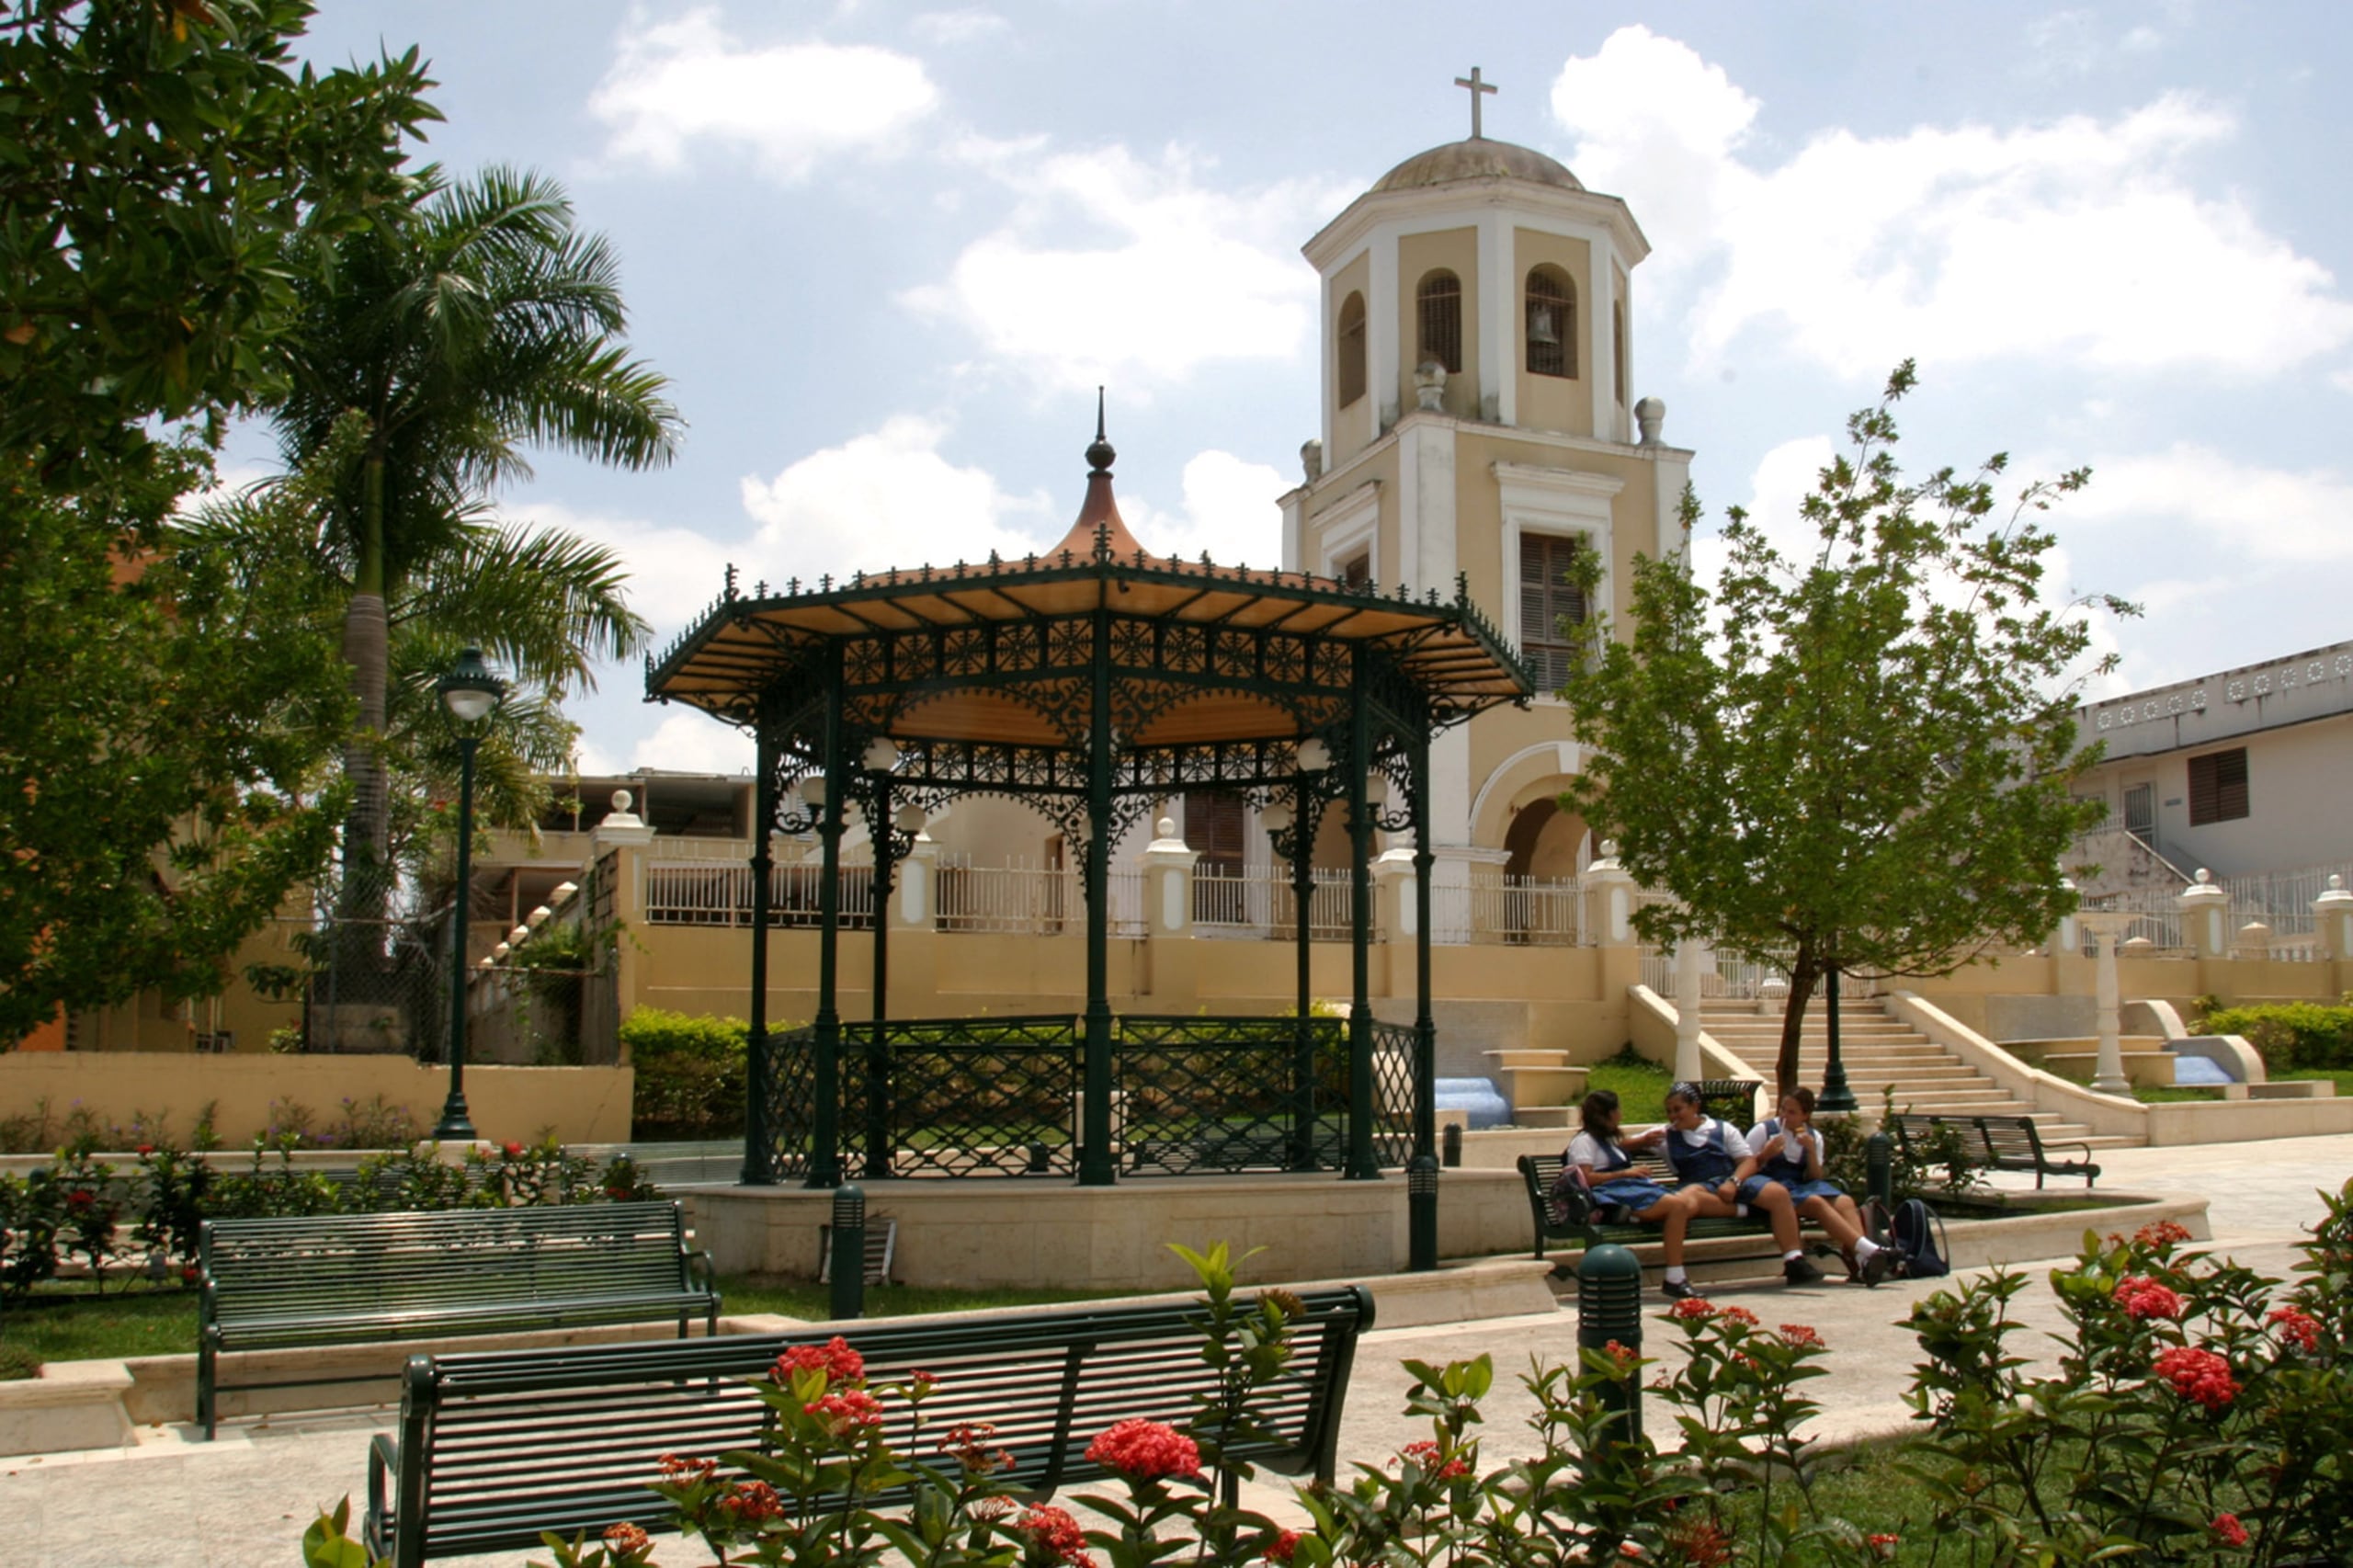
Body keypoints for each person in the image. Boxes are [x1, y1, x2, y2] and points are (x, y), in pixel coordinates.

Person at [1657, 1082, 1824, 1285]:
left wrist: (1734, 1182)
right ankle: (1747, 1210)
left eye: (1678, 1109)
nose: (1673, 1116)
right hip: (1699, 1186)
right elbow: (1620, 1144)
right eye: (1669, 1111)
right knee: (1687, 1197)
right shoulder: (1664, 1136)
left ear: (1695, 1107)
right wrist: (1638, 1143)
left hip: (1732, 1179)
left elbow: (1747, 1161)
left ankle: (1794, 1260)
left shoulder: (1723, 1128)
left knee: (1778, 1194)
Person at [1564, 1088, 1709, 1300]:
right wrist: (1625, 1173)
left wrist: (1642, 1144)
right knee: (1678, 1205)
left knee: (1681, 1205)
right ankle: (1674, 1278)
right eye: (1618, 1110)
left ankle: (1629, 1215)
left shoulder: (1606, 1140)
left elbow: (1623, 1146)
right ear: (1609, 1114)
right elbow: (1584, 1178)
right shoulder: (1584, 1141)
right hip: (1610, 1193)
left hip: (1628, 1190)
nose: (1621, 1115)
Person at [1745, 1086, 1893, 1285]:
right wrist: (1766, 1154)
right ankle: (1869, 1251)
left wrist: (1812, 1151)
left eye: (1792, 1112)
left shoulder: (1813, 1136)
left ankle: (1861, 1262)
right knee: (1815, 1202)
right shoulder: (1763, 1131)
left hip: (1799, 1186)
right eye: (1783, 1110)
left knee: (1845, 1201)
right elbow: (1744, 1167)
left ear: (1805, 1115)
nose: (1785, 1117)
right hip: (1771, 1188)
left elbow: (1815, 1176)